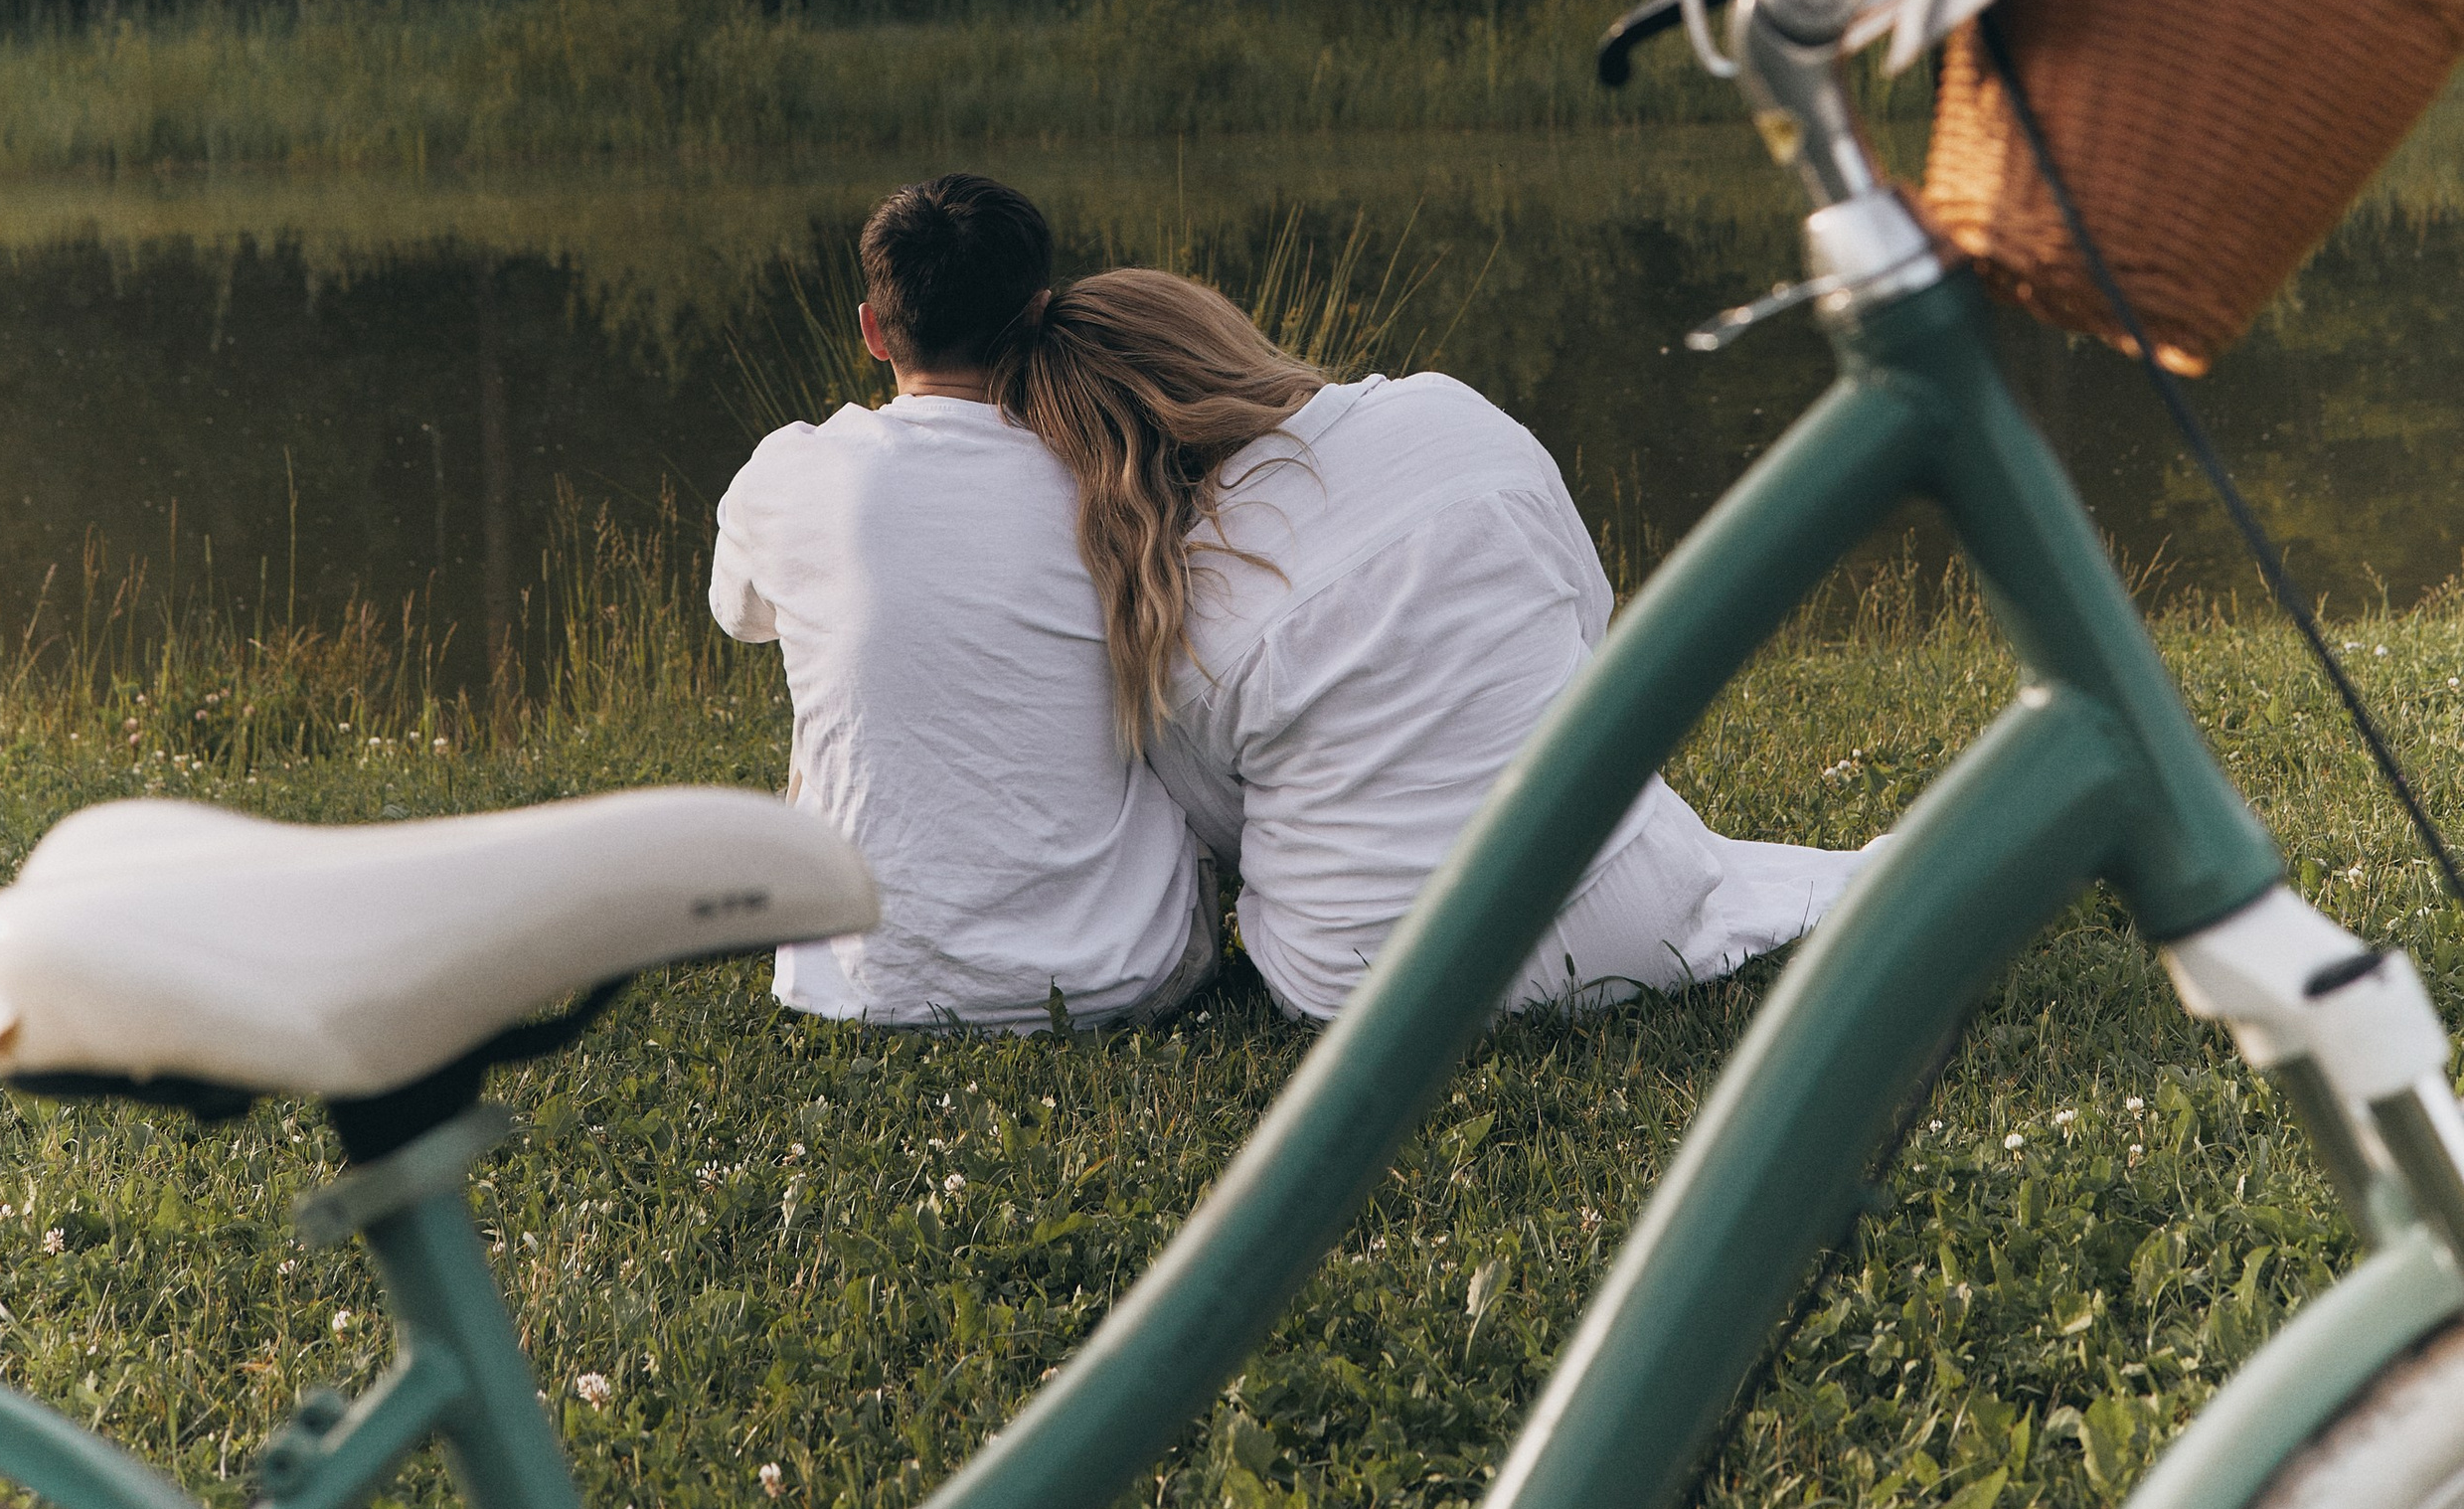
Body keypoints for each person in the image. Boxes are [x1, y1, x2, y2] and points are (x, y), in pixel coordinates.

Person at [990, 266, 1870, 1025]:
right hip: (1636, 924)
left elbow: (1227, 835)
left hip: (1369, 989)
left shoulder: (1167, 614)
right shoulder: (1447, 413)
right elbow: (1588, 617)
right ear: (1218, 338)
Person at [710, 175, 1212, 1032]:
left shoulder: (788, 471)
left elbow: (740, 617)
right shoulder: (1111, 478)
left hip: (857, 990)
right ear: (1039, 316)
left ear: (873, 330)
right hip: (1117, 976)